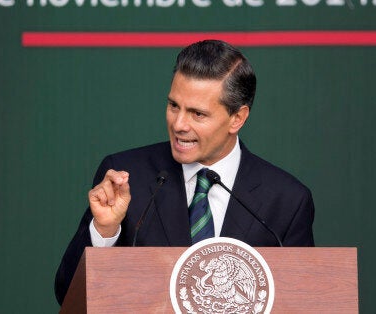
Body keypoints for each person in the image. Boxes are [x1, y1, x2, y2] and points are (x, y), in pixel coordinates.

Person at [54, 39, 315, 305]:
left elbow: (304, 303)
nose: (179, 124)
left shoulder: (287, 200)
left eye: (197, 114)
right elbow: (68, 295)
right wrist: (104, 231)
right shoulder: (128, 177)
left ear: (237, 118)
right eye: (173, 106)